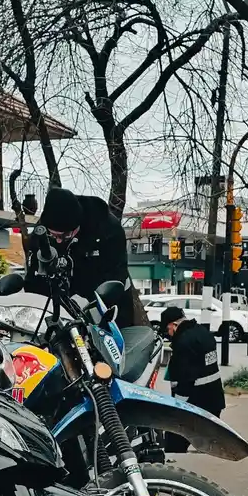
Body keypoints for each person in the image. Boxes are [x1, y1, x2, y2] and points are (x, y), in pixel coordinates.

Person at [35, 188, 147, 327]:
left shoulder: (108, 228)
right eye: (54, 236)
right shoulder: (41, 233)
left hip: (109, 306)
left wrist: (90, 300)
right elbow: (35, 276)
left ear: (78, 225)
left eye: (65, 235)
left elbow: (116, 274)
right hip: (59, 308)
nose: (58, 241)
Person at [159, 306, 224, 452]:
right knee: (209, 444)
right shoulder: (204, 333)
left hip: (194, 403)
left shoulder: (183, 343)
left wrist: (177, 406)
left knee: (174, 442)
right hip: (214, 400)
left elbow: (185, 380)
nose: (168, 335)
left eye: (167, 330)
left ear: (173, 325)